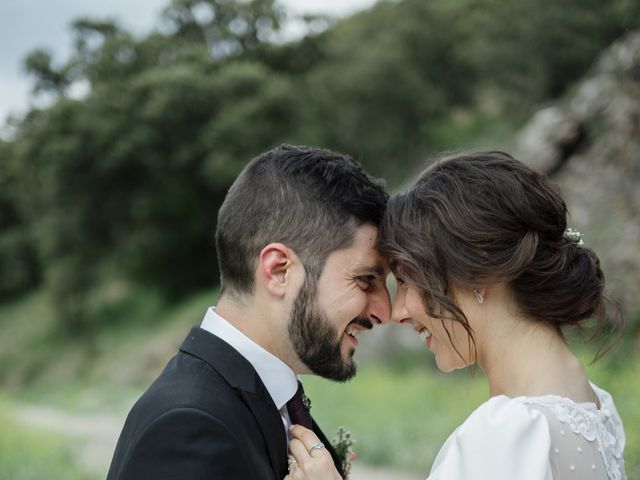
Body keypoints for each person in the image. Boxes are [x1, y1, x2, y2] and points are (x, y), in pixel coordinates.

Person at [286, 151, 626, 480]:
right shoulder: (596, 408)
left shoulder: (506, 432)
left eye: (406, 279)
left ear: (479, 269)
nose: (397, 312)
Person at [106, 144, 392, 480]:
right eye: (365, 279)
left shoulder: (264, 400)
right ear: (278, 271)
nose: (384, 310)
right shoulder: (189, 427)